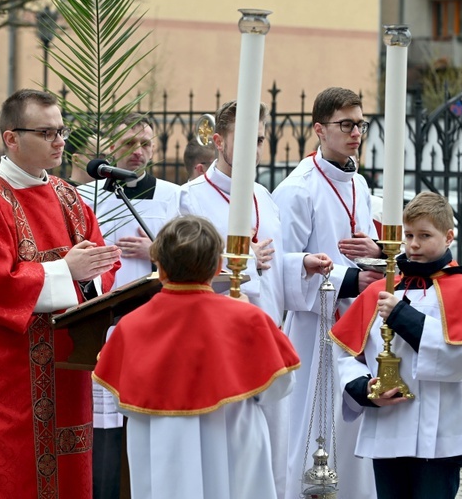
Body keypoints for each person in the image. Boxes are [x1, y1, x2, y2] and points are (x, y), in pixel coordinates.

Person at [0, 89, 121, 498]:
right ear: (11, 138)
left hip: (69, 369)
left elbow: (100, 267)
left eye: (61, 131)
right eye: (46, 132)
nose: (60, 141)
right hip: (11, 377)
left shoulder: (68, 197)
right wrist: (65, 271)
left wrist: (90, 278)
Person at [171, 99, 331, 498]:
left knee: (271, 454)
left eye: (258, 140)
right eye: (243, 140)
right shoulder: (191, 199)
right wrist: (239, 263)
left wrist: (299, 265)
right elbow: (182, 273)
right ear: (218, 140)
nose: (253, 150)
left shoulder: (264, 196)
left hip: (266, 342)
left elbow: (272, 267)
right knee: (230, 455)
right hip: (217, 348)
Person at [93, 215, 302, 499]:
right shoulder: (248, 318)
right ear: (218, 267)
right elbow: (279, 387)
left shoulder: (130, 326)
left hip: (161, 444)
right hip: (235, 435)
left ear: (161, 268)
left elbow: (124, 403)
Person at [330, 192, 462, 499]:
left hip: (441, 433)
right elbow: (349, 352)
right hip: (388, 427)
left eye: (424, 236)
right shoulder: (380, 289)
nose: (413, 244)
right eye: (408, 235)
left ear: (449, 237)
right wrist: (362, 387)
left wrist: (403, 316)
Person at [271, 87, 384, 499]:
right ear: (319, 129)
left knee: (354, 439)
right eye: (346, 124)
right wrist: (351, 280)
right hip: (314, 329)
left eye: (360, 124)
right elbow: (286, 267)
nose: (356, 132)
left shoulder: (361, 184)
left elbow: (370, 246)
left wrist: (374, 258)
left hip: (359, 326)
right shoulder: (298, 189)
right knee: (312, 427)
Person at [77, 113, 181, 499]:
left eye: (146, 144)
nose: (138, 152)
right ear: (109, 147)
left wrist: (157, 252)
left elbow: (191, 257)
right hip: (101, 322)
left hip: (155, 323)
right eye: (129, 144)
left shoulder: (173, 196)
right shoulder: (86, 196)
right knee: (104, 428)